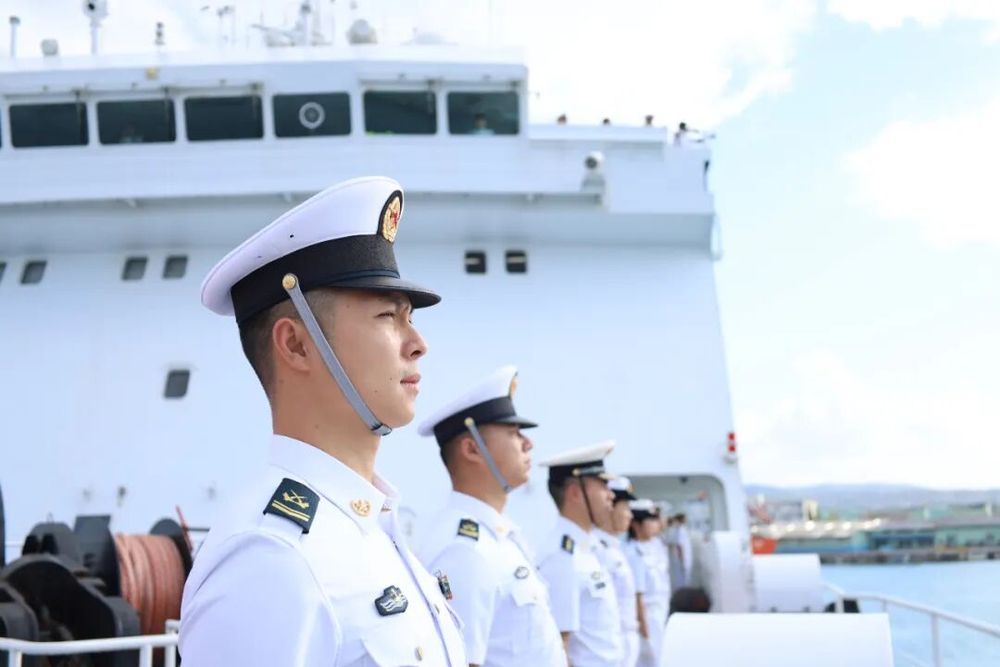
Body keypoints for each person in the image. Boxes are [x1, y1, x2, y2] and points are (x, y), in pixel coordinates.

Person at [179, 177, 467, 666]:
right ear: (296, 345)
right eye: (387, 316)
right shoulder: (270, 559)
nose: (419, 344)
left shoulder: (368, 528)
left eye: (410, 318)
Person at [417, 366, 566, 667]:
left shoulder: (499, 537)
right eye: (513, 433)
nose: (528, 443)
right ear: (472, 448)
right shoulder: (464, 549)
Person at [538, 441, 623, 667]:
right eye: (603, 485)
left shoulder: (587, 548)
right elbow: (560, 647)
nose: (611, 495)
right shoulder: (562, 557)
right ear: (575, 493)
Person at [594, 477, 639, 667]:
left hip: (626, 639)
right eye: (626, 508)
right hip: (611, 643)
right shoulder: (596, 549)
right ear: (610, 507)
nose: (630, 515)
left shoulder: (614, 547)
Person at [625, 500, 670, 667]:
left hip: (661, 612)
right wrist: (645, 630)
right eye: (649, 520)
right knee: (652, 660)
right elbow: (638, 595)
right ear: (636, 525)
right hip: (648, 617)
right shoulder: (633, 552)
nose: (655, 524)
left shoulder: (655, 545)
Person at [673, 513, 694, 587]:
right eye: (685, 518)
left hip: (686, 555)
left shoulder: (682, 529)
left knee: (686, 574)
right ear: (681, 519)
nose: (686, 519)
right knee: (684, 575)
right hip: (684, 557)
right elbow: (680, 545)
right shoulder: (681, 530)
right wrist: (681, 558)